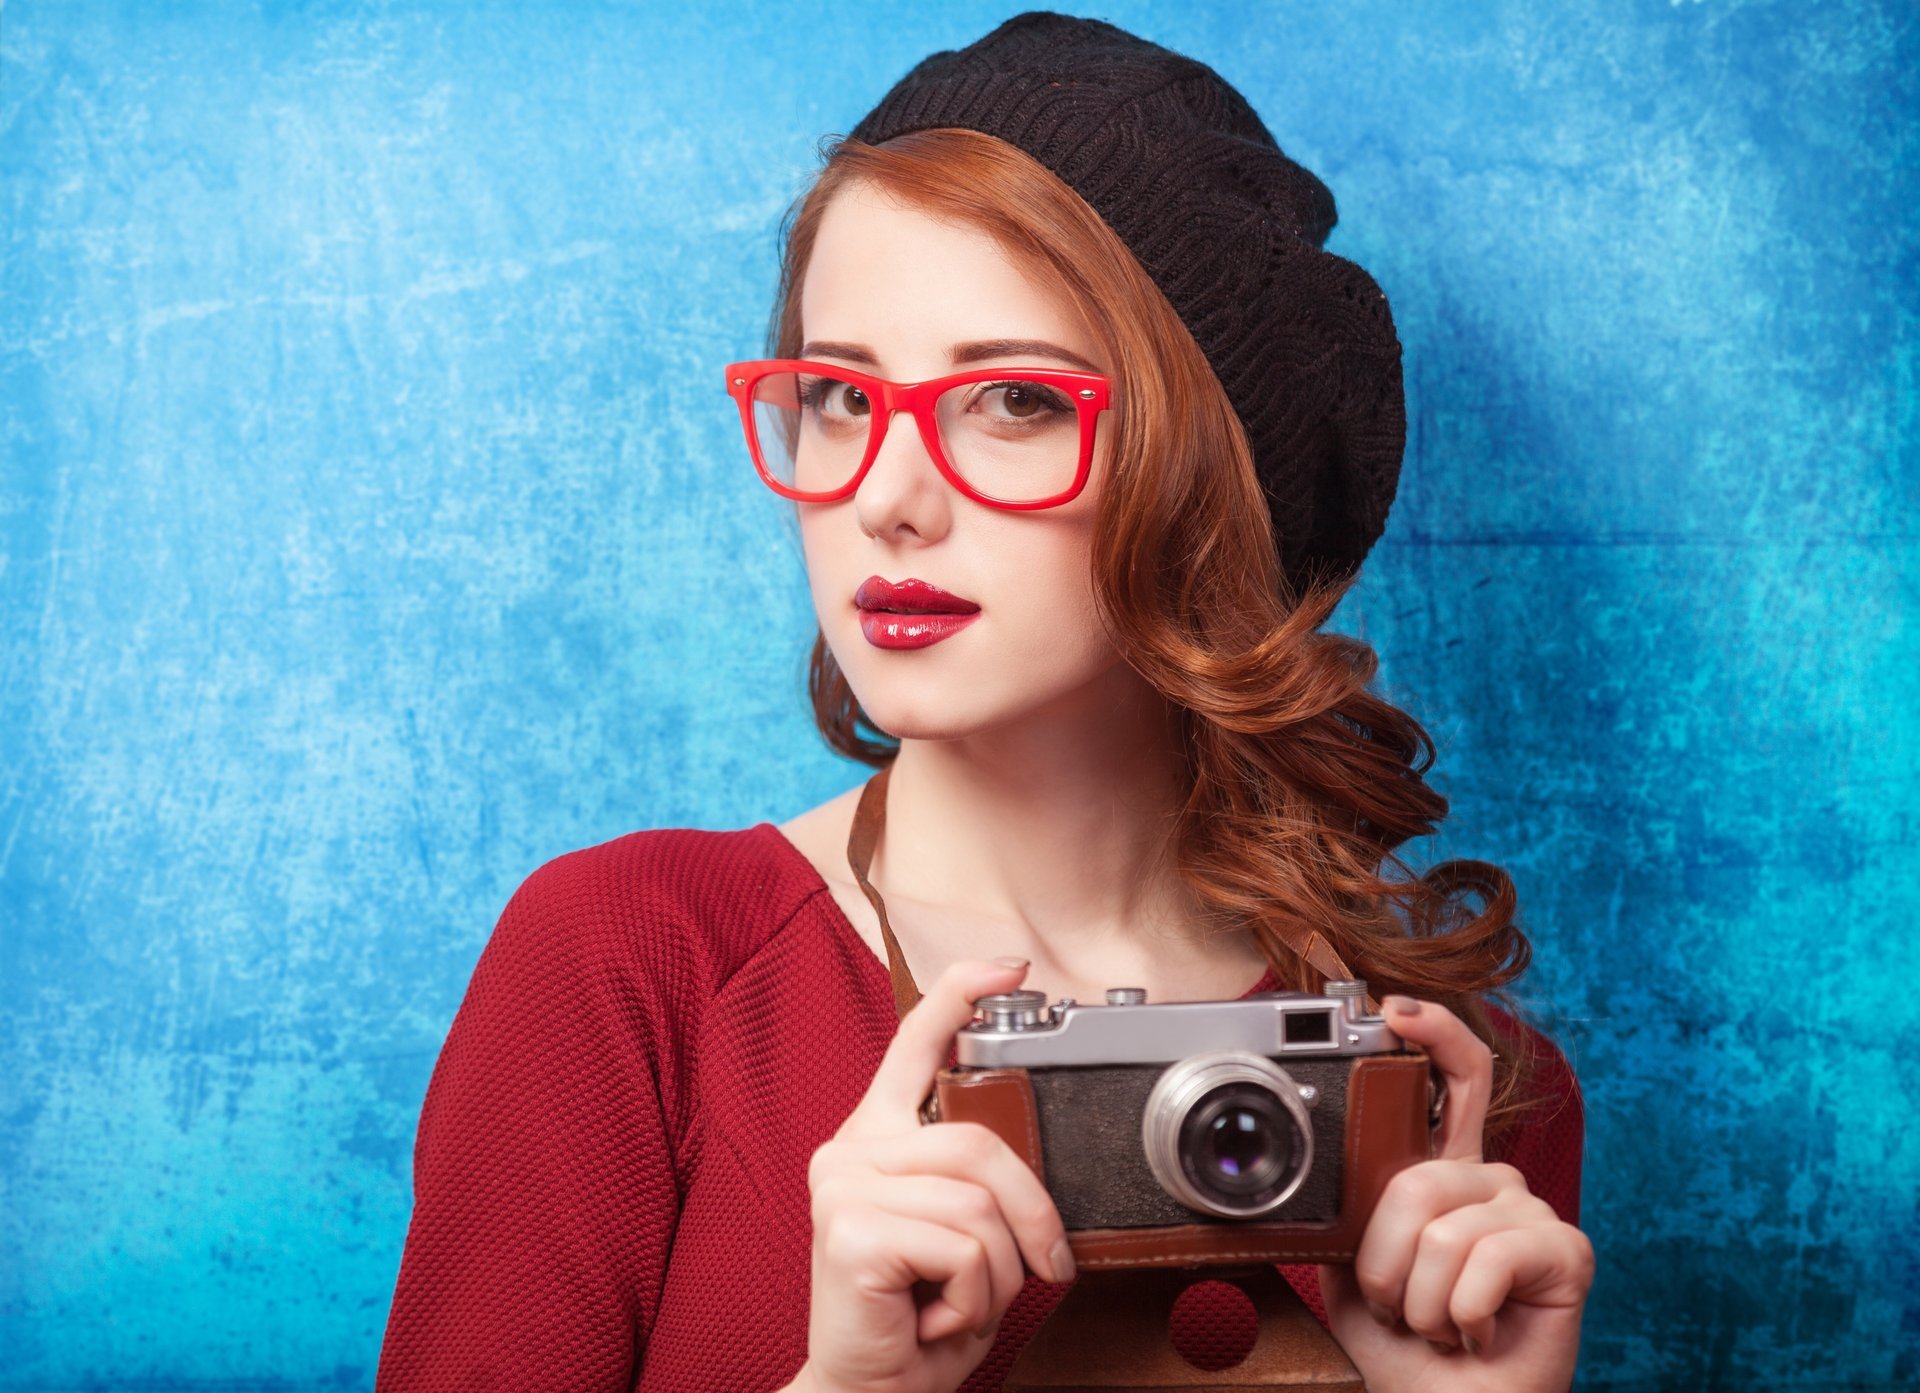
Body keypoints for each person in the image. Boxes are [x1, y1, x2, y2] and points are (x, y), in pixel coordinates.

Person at [376, 12, 1593, 1393]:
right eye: (839, 394)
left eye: (1013, 399)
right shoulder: (632, 962)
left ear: (1213, 476)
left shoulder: (1447, 1085)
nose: (885, 496)